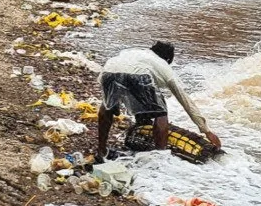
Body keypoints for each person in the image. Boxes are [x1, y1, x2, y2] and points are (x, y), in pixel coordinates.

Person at [92, 39, 222, 162]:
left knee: (107, 106)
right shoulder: (162, 64)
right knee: (160, 112)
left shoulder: (135, 52)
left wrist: (112, 103)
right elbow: (184, 99)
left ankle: (102, 150)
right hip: (139, 76)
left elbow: (119, 83)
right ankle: (160, 157)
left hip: (108, 71)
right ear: (168, 59)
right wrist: (206, 130)